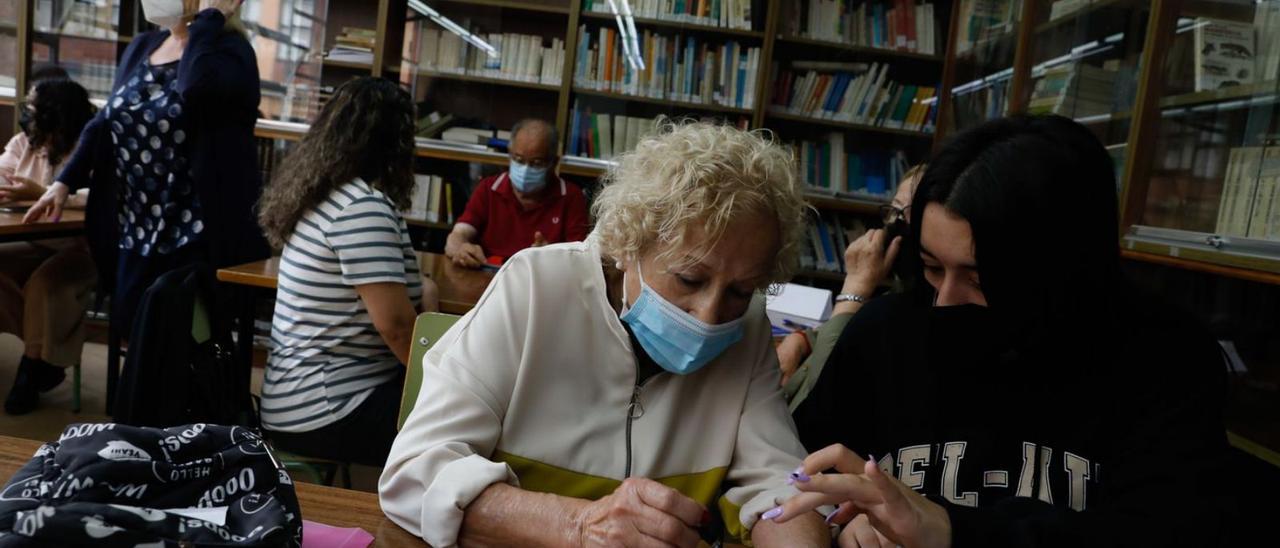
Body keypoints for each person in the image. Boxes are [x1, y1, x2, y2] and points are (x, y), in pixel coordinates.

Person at [769, 115, 1231, 546]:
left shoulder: (1166, 358)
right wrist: (843, 521)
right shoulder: (884, 334)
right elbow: (790, 474)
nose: (945, 300)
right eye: (931, 267)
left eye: (980, 278)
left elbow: (1169, 528)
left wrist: (949, 530)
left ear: (1064, 267)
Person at [381, 121, 830, 547]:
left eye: (739, 290)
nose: (710, 316)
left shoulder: (748, 326)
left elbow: (782, 487)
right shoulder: (535, 286)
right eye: (689, 280)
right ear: (628, 246)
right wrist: (577, 527)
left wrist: (801, 524)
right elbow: (414, 475)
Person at [24, 0, 269, 336]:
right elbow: (107, 119)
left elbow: (194, 88)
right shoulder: (145, 45)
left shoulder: (229, 51)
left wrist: (208, 21)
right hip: (135, 224)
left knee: (178, 345)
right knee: (132, 334)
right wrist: (64, 182)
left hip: (194, 229)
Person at [255, 76, 439, 465]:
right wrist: (446, 390)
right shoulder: (361, 208)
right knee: (468, 426)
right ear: (396, 142)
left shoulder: (323, 196)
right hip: (328, 406)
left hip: (298, 396)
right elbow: (399, 330)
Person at [778, 165, 924, 409]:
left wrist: (855, 287)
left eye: (909, 212)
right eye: (894, 209)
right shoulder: (900, 289)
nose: (895, 222)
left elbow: (821, 392)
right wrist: (801, 339)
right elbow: (848, 330)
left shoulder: (912, 313)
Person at [0, 75, 97, 414]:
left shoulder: (88, 150)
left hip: (78, 248)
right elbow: (3, 178)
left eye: (32, 107)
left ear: (56, 113)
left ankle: (31, 367)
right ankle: (44, 354)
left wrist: (41, 193)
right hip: (28, 241)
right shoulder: (23, 144)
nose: (27, 113)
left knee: (44, 285)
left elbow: (97, 197)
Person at [444, 118, 589, 268]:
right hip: (489, 276)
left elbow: (580, 261)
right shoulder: (489, 188)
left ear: (554, 162)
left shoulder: (571, 197)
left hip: (540, 281)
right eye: (519, 160)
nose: (525, 170)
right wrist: (460, 248)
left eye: (536, 163)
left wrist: (551, 256)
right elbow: (458, 235)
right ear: (509, 155)